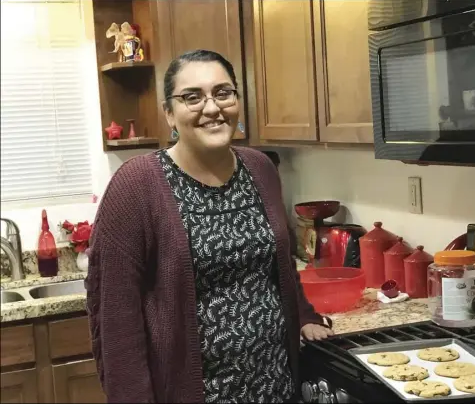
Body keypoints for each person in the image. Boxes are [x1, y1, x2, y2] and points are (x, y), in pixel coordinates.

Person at [85, 49, 333, 404]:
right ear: (169, 113)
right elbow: (117, 319)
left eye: (222, 92)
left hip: (276, 385)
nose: (212, 108)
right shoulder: (136, 185)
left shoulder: (261, 168)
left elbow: (280, 263)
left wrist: (305, 314)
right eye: (192, 97)